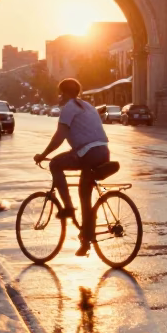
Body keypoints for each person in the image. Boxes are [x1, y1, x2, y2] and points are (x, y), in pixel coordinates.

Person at [34, 78, 111, 256]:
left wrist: (43, 155)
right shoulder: (87, 105)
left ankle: (68, 208)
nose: (59, 97)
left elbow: (60, 136)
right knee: (85, 194)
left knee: (55, 164)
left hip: (89, 153)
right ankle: (87, 236)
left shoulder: (69, 107)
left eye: (61, 93)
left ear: (65, 93)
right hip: (103, 152)